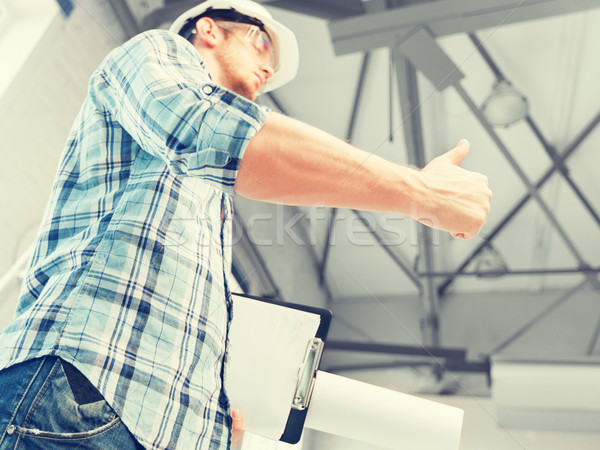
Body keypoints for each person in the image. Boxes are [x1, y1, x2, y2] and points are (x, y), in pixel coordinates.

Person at [0, 0, 491, 448]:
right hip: (83, 394)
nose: (268, 67)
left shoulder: (210, 202)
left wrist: (210, 422)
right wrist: (420, 193)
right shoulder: (156, 51)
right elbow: (207, 128)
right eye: (260, 42)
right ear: (208, 29)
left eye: (272, 65)